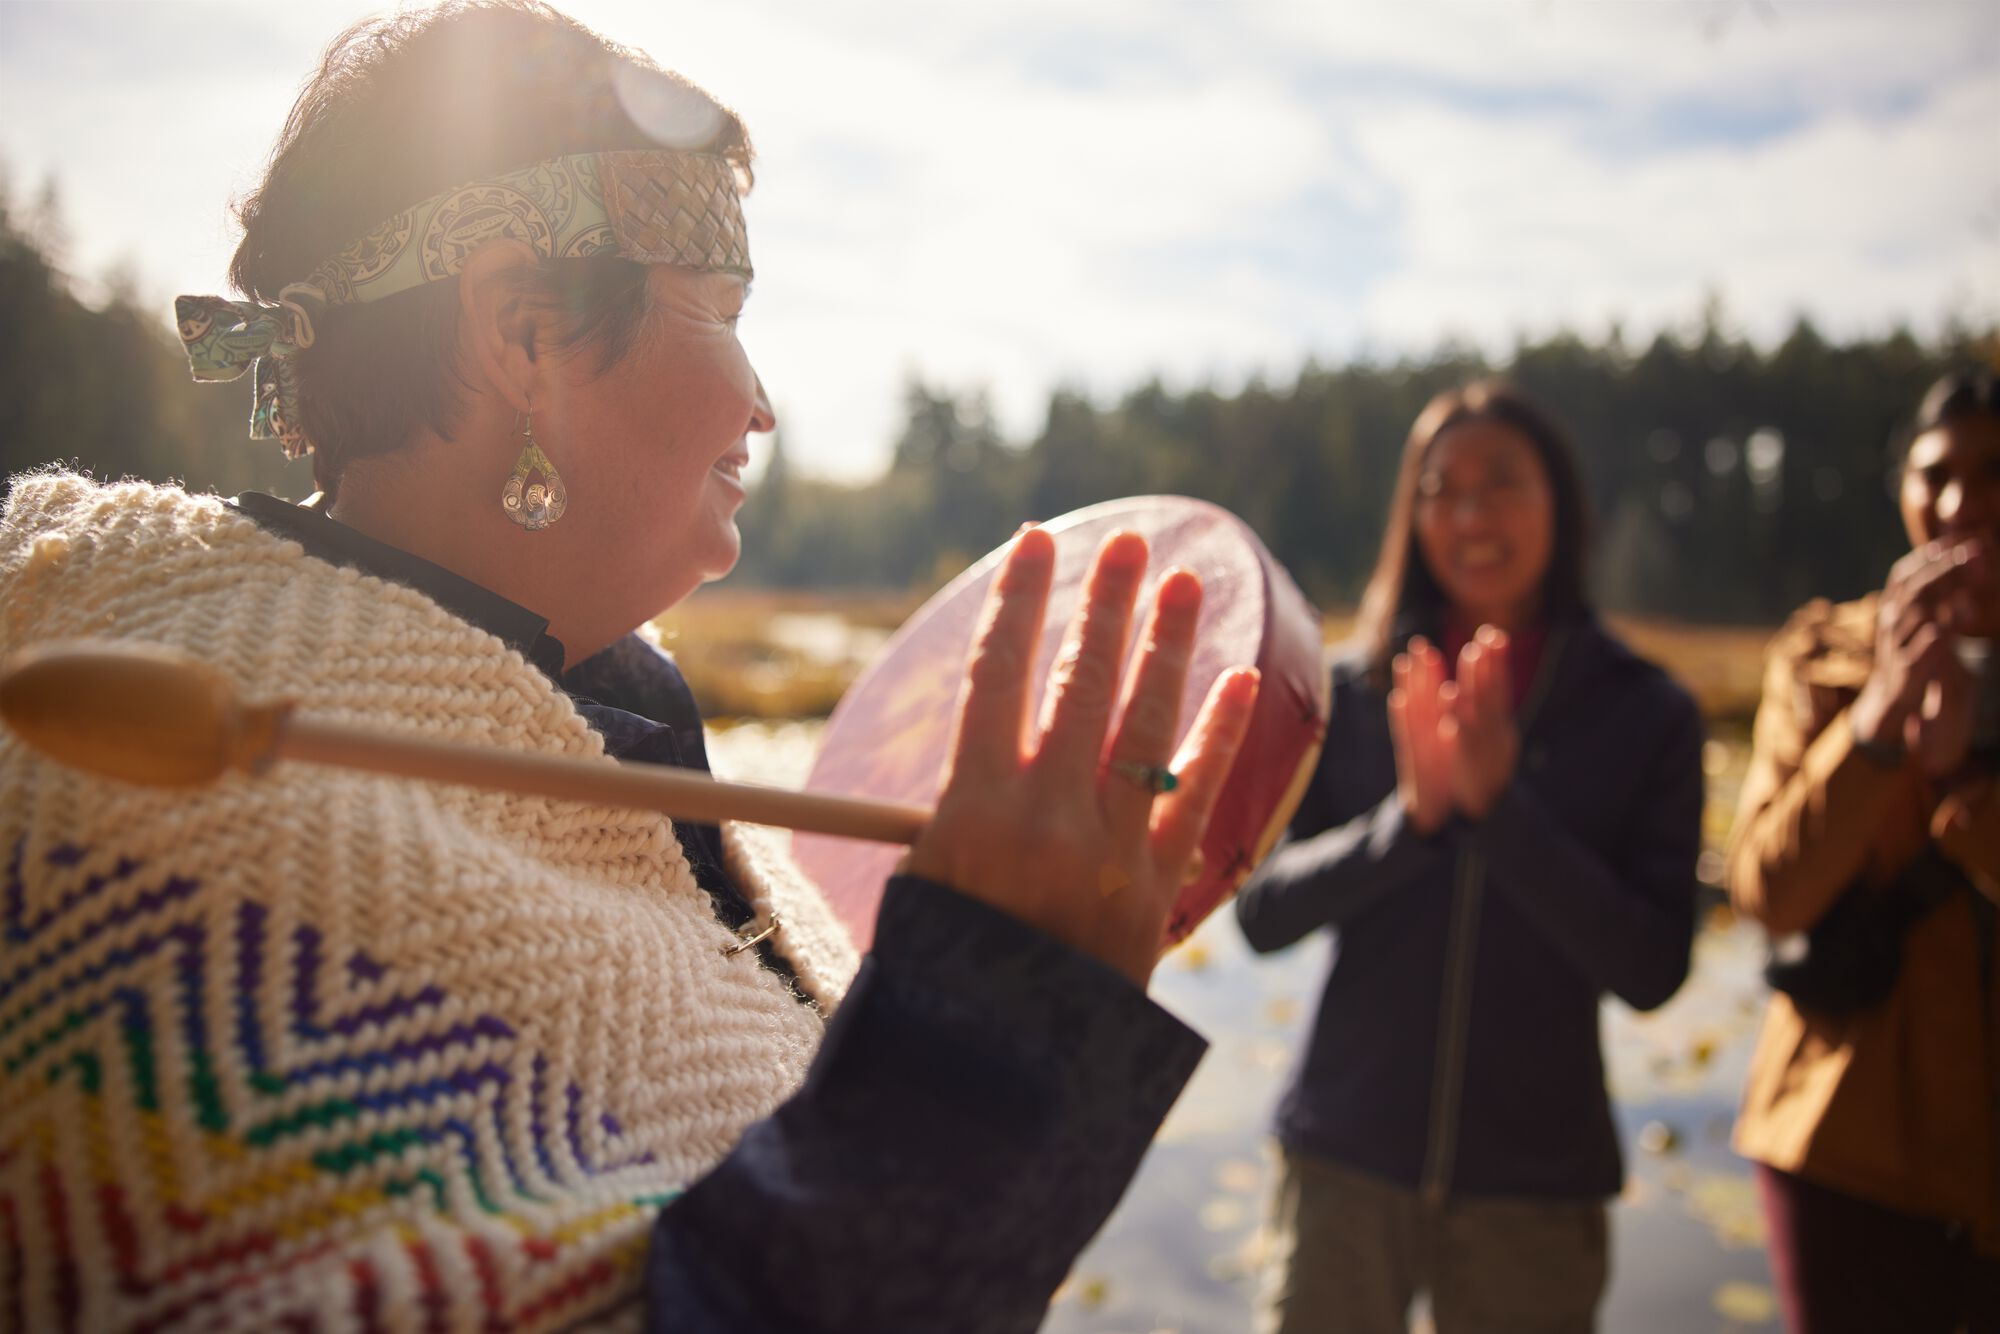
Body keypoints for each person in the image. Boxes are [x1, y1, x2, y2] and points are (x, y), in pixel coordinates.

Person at [0, 4, 1262, 1330]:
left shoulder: (606, 715)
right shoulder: (177, 835)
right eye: (721, 308)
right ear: (526, 330)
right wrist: (979, 1065)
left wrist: (1017, 946)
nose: (762, 400)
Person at [1233, 380, 1703, 1333]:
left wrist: (1503, 815)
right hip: (1344, 1166)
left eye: (1502, 483)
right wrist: (1411, 823)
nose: (1471, 513)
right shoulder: (1350, 692)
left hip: (1533, 1191)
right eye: (1441, 488)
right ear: (1412, 514)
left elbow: (1652, 967)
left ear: (1562, 506)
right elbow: (1262, 912)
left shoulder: (1646, 711)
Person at [1729, 368, 2000, 1333]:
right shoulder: (1822, 657)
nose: (1964, 503)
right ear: (1904, 493)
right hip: (1844, 1146)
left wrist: (1968, 789)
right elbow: (1769, 889)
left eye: (1994, 472)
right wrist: (1877, 730)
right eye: (1938, 475)